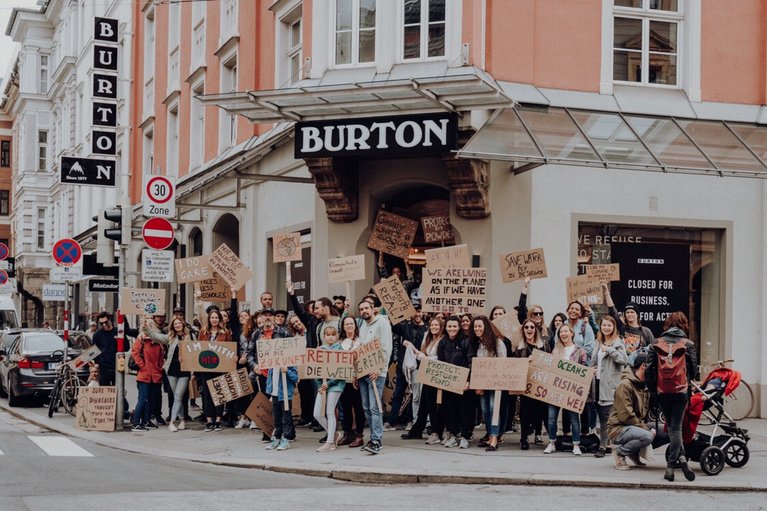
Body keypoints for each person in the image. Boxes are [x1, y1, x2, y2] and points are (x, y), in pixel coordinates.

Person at [646, 312, 697, 482]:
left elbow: (649, 370)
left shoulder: (656, 343)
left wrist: (654, 391)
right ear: (683, 325)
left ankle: (681, 458)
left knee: (672, 427)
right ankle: (671, 464)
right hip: (681, 391)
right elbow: (694, 371)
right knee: (676, 428)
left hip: (663, 391)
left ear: (667, 324)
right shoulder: (688, 344)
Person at [544, 323, 589, 455]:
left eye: (565, 331)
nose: (563, 334)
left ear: (572, 333)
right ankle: (552, 442)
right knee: (551, 418)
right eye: (561, 332)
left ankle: (576, 445)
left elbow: (584, 369)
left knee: (574, 419)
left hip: (572, 391)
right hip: (555, 389)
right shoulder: (555, 350)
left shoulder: (580, 351)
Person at [607, 350, 654, 471]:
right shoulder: (625, 385)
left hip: (634, 425)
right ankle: (619, 452)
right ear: (644, 366)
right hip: (618, 428)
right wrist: (646, 428)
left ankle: (633, 453)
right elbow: (626, 416)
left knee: (666, 431)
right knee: (648, 436)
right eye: (653, 365)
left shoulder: (645, 384)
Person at [356, 299, 393, 455]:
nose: (364, 311)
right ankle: (372, 438)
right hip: (363, 371)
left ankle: (377, 440)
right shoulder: (363, 325)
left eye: (366, 308)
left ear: (373, 309)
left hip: (376, 372)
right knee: (366, 407)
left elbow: (386, 347)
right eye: (361, 309)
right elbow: (361, 348)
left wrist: (380, 368)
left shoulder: (382, 323)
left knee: (374, 407)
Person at [143, 316, 191, 432]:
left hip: (185, 370)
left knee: (179, 395)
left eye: (179, 323)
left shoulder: (190, 337)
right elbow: (156, 336)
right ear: (172, 327)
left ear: (183, 324)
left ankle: (172, 422)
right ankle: (183, 420)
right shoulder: (170, 338)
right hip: (172, 370)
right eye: (175, 324)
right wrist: (146, 328)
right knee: (176, 396)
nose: (178, 325)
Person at [402, 317, 445, 444]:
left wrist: (424, 358)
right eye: (432, 325)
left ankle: (436, 432)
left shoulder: (442, 340)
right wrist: (412, 348)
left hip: (436, 375)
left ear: (441, 326)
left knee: (432, 405)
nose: (434, 327)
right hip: (427, 374)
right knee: (424, 404)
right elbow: (422, 355)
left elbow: (439, 358)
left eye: (437, 325)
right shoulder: (428, 339)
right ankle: (417, 429)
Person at [590, 315, 628, 457]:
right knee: (600, 415)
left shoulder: (618, 342)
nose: (606, 328)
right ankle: (606, 444)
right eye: (604, 325)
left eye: (609, 325)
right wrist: (592, 369)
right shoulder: (598, 342)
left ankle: (603, 446)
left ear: (614, 327)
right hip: (598, 382)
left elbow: (624, 359)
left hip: (610, 385)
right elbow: (594, 361)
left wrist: (610, 350)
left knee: (607, 416)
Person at [195, 293, 232, 432]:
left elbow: (230, 348)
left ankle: (218, 420)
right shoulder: (203, 332)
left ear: (220, 319)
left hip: (220, 367)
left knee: (219, 394)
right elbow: (198, 348)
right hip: (206, 367)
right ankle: (209, 419)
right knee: (207, 394)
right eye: (212, 317)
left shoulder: (225, 332)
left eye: (217, 317)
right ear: (209, 319)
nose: (214, 320)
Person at [387, 304, 428, 430]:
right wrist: (391, 310)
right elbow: (393, 324)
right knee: (398, 393)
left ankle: (411, 421)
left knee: (415, 395)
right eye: (415, 312)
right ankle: (392, 422)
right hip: (403, 368)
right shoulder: (405, 327)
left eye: (419, 311)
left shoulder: (427, 329)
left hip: (418, 367)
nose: (417, 314)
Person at [287, 282, 321, 428]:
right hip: (311, 361)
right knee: (313, 391)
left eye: (317, 308)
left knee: (320, 392)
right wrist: (292, 294)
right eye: (313, 309)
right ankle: (315, 419)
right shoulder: (311, 321)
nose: (315, 311)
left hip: (324, 360)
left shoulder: (329, 321)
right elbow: (299, 312)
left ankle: (320, 420)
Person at [471, 315, 507, 452]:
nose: (477, 329)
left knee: (493, 409)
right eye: (475, 326)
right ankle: (490, 435)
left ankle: (494, 438)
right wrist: (477, 384)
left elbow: (503, 363)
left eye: (480, 326)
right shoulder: (477, 343)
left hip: (496, 383)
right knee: (485, 410)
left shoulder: (498, 343)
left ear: (486, 327)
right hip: (482, 383)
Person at [437, 316, 472, 448]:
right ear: (446, 328)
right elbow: (440, 362)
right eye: (449, 326)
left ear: (459, 327)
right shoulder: (442, 342)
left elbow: (470, 361)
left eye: (454, 326)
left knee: (464, 410)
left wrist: (468, 381)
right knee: (450, 410)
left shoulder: (466, 341)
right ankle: (454, 435)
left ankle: (465, 436)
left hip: (463, 383)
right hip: (448, 383)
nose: (452, 329)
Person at [514, 319, 549, 450]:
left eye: (532, 327)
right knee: (525, 412)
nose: (529, 329)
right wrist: (525, 362)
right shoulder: (519, 347)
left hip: (540, 382)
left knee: (540, 410)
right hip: (525, 384)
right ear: (523, 330)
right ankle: (523, 439)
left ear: (536, 330)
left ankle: (538, 434)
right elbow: (515, 364)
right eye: (526, 327)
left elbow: (549, 362)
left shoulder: (543, 345)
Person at [131, 318, 167, 432]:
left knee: (151, 400)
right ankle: (136, 423)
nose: (148, 328)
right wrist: (142, 366)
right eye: (146, 326)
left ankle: (146, 421)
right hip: (144, 374)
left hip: (156, 374)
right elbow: (135, 353)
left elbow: (161, 357)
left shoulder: (158, 341)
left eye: (151, 326)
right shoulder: (141, 340)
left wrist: (160, 367)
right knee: (143, 399)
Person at [314, 326, 346, 452]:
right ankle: (334, 434)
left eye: (333, 334)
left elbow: (341, 370)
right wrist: (320, 385)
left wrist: (330, 383)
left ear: (336, 336)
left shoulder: (340, 350)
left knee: (330, 412)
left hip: (336, 385)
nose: (331, 337)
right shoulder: (320, 350)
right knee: (317, 413)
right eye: (328, 335)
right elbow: (315, 369)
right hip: (323, 386)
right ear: (324, 336)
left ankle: (330, 442)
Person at [338, 315, 366, 447]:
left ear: (355, 325)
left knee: (358, 407)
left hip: (356, 378)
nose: (349, 326)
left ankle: (359, 435)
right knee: (346, 407)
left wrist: (358, 376)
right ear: (343, 327)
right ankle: (347, 433)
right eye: (346, 324)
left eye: (351, 323)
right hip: (343, 379)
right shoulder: (340, 342)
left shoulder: (361, 341)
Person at [265, 364, 299, 451]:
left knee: (286, 418)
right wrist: (270, 391)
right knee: (277, 418)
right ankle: (277, 438)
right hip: (275, 394)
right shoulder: (272, 364)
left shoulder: (289, 362)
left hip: (285, 394)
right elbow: (270, 378)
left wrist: (287, 370)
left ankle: (286, 440)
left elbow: (295, 378)